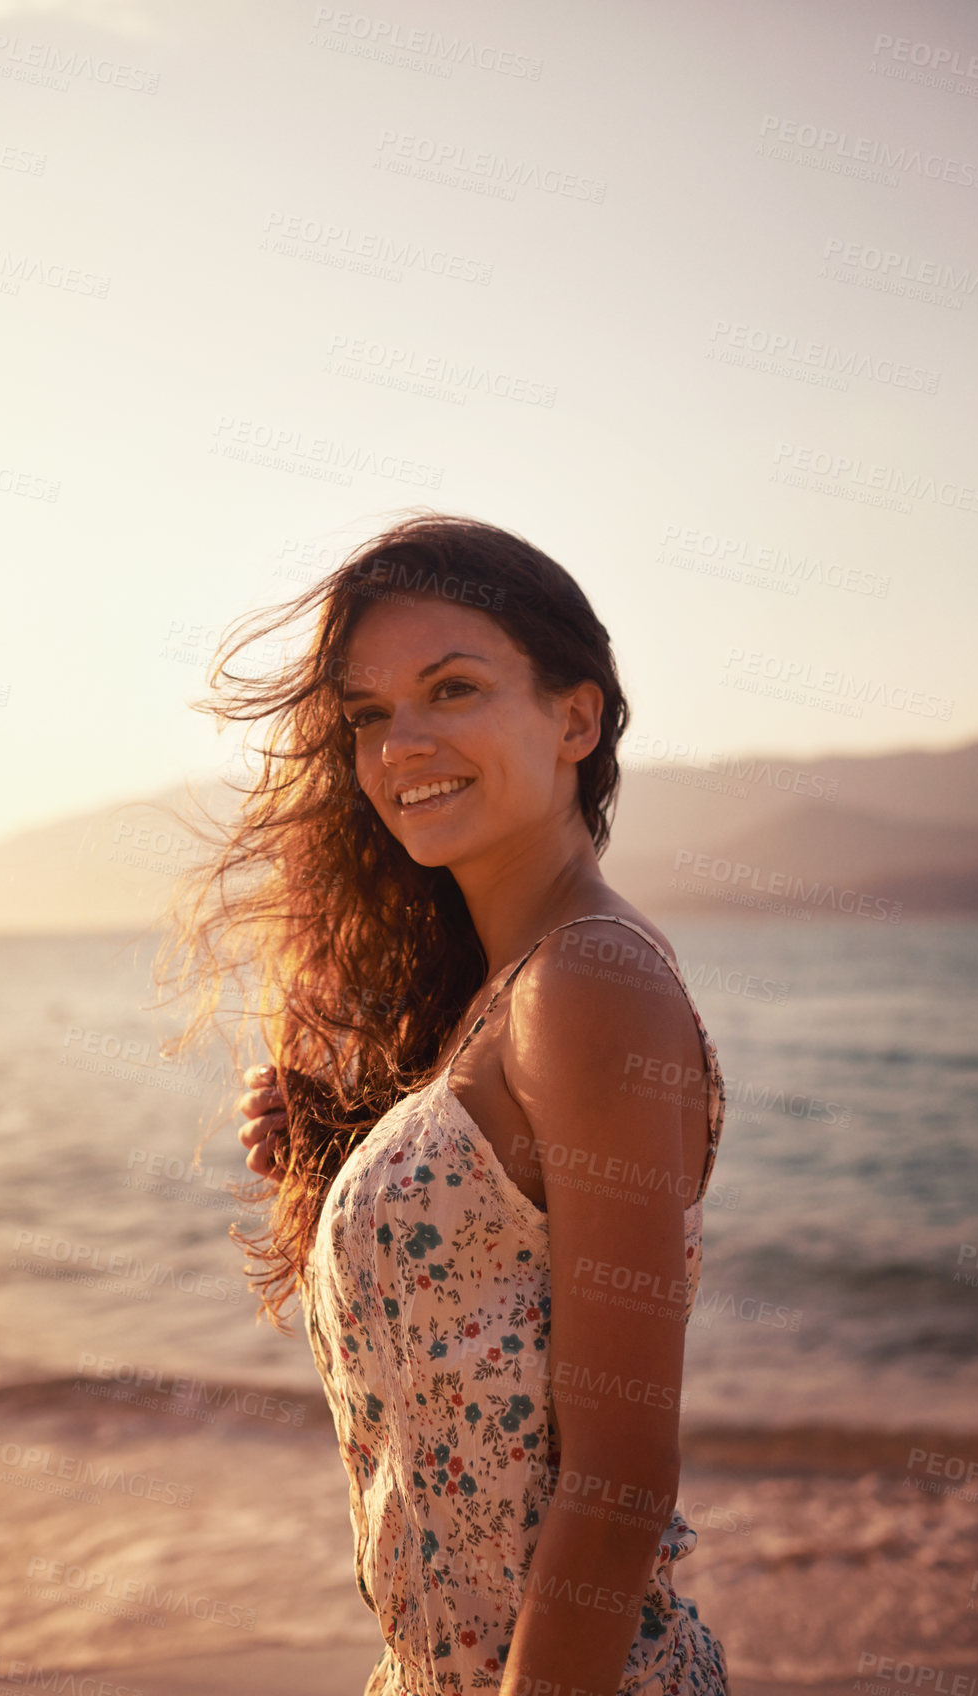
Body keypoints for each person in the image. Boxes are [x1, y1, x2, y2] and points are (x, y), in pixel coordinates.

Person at [216, 512, 730, 1694]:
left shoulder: (588, 979)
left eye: (451, 688)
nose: (402, 744)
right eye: (367, 714)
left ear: (573, 717)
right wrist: (350, 1151)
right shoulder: (508, 991)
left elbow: (615, 1485)